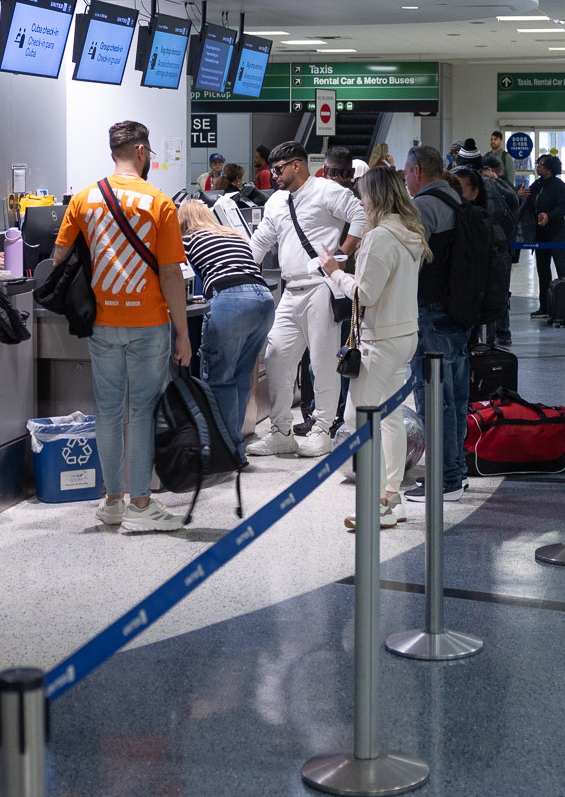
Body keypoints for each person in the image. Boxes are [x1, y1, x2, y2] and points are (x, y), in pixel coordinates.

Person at [48, 120, 193, 534]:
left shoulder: (84, 198)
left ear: (115, 151)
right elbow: (169, 275)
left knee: (108, 413)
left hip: (103, 323)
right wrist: (182, 333)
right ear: (142, 151)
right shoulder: (159, 202)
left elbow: (59, 256)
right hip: (148, 324)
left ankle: (112, 501)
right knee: (143, 412)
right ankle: (141, 505)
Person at [319, 166, 427, 530]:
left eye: (363, 195)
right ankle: (392, 496)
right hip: (405, 335)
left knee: (357, 419)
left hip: (380, 341)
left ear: (376, 197)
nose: (360, 202)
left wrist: (334, 271)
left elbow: (365, 294)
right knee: (391, 418)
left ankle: (378, 502)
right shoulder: (410, 232)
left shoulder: (380, 237)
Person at [247, 139, 367, 457]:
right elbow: (260, 241)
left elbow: (361, 217)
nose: (273, 175)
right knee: (276, 357)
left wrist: (341, 256)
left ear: (296, 165)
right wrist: (239, 266)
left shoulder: (328, 191)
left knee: (322, 362)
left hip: (320, 287)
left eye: (277, 169)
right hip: (290, 291)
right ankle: (281, 430)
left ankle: (322, 429)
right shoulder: (276, 202)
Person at [178, 199, 276, 445]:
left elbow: (179, 276)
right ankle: (235, 446)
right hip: (264, 300)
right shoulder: (233, 235)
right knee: (242, 377)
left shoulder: (187, 240)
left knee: (219, 378)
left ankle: (218, 450)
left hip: (231, 299)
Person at [404, 146, 472, 498]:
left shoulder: (423, 207)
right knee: (456, 397)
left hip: (430, 314)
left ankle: (444, 479)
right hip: (458, 314)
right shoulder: (457, 202)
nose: (404, 177)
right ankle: (456, 472)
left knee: (434, 398)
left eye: (406, 171)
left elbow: (409, 261)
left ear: (417, 170)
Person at [521, 154, 565, 315]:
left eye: (540, 164)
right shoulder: (536, 185)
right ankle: (544, 306)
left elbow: (564, 206)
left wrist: (549, 216)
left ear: (549, 169)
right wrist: (520, 195)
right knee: (543, 271)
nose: (537, 166)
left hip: (557, 231)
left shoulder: (559, 186)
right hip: (540, 233)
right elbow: (529, 205)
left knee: (561, 268)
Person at [479, 155, 520, 343]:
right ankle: (502, 332)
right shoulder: (501, 185)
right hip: (502, 244)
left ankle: (491, 334)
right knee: (501, 288)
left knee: (488, 289)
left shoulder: (481, 184)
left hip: (488, 245)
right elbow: (514, 200)